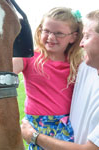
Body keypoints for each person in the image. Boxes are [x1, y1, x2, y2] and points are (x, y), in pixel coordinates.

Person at [20, 10, 99, 150]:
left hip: (61, 127)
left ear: (73, 37)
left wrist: (33, 136)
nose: (51, 37)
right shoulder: (31, 57)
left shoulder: (77, 64)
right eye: (46, 31)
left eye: (59, 33)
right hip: (39, 124)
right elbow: (4, 69)